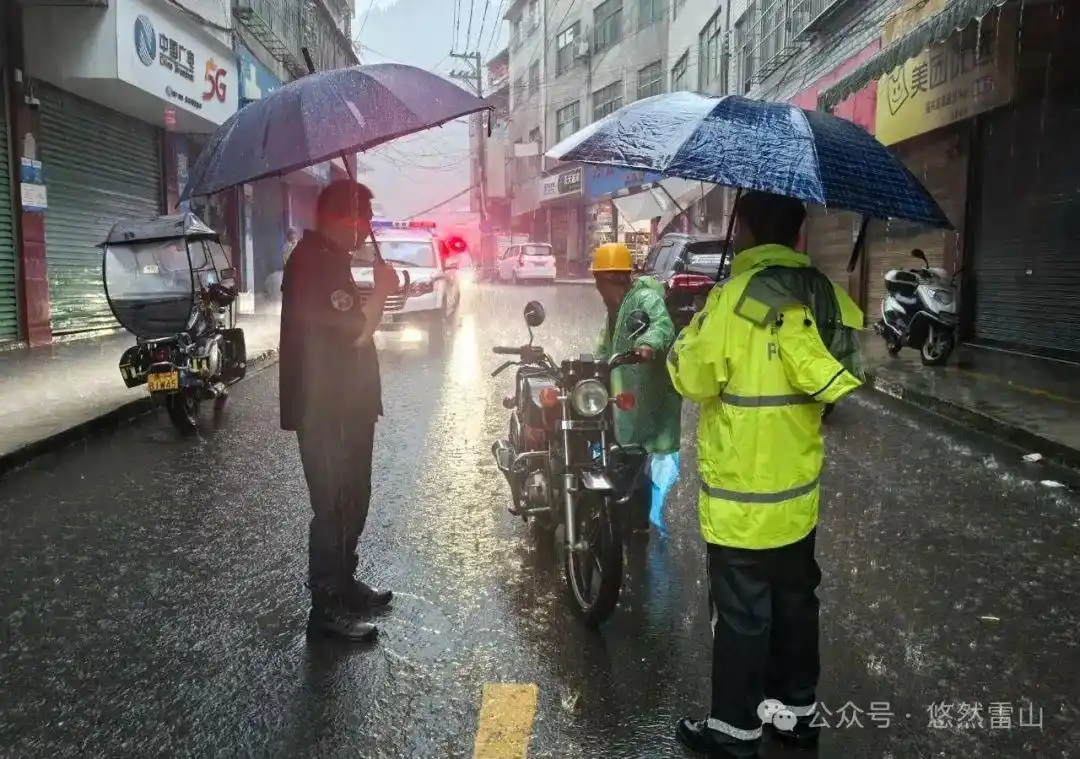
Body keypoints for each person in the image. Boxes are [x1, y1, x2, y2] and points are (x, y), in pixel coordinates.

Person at [667, 191, 865, 758]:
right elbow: (845, 374)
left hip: (740, 503)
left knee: (742, 619)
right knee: (796, 607)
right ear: (799, 237)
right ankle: (797, 717)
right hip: (798, 497)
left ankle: (734, 733)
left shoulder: (731, 299)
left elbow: (692, 380)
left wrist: (691, 333)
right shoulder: (824, 294)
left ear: (747, 231)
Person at [279, 180, 400, 643]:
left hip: (351, 406)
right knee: (331, 505)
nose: (367, 228)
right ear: (338, 217)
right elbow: (356, 333)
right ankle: (325, 606)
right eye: (362, 218)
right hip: (323, 408)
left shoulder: (333, 260)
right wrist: (382, 291)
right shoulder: (313, 264)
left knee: (355, 495)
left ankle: (345, 583)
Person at [591, 242, 682, 533]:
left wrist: (647, 345)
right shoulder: (614, 308)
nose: (598, 291)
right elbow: (605, 348)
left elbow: (662, 325)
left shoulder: (643, 298)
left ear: (609, 280)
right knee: (629, 453)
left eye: (599, 283)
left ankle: (630, 520)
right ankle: (633, 520)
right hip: (624, 394)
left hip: (645, 393)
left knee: (632, 455)